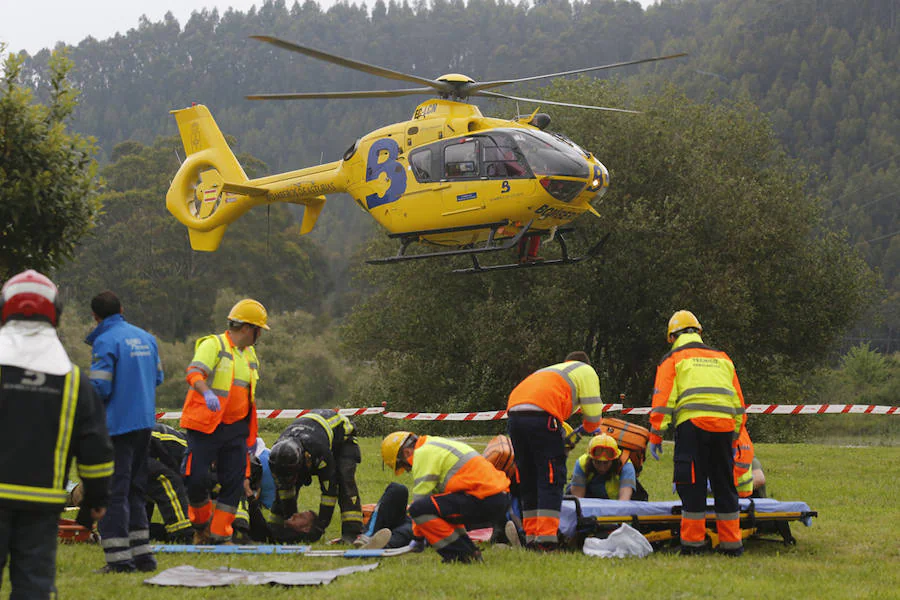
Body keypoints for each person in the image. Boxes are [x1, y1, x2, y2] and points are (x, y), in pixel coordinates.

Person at [0, 270, 114, 596]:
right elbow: (96, 453)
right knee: (34, 587)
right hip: (40, 506)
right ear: (56, 314)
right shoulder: (74, 381)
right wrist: (94, 501)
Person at [648, 310, 747, 557]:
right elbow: (738, 401)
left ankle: (693, 546)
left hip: (693, 428)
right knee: (725, 486)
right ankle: (732, 545)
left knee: (692, 485)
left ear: (672, 336)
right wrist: (735, 434)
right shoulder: (723, 357)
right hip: (724, 428)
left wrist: (656, 434)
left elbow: (662, 400)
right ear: (699, 332)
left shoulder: (673, 358)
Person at [87, 291, 164, 572]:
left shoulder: (105, 340)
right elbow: (158, 377)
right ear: (122, 308)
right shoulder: (147, 338)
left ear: (95, 316)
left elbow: (100, 388)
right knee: (136, 489)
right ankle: (144, 556)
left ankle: (119, 560)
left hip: (116, 426)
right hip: (144, 423)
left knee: (113, 493)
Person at [180, 299, 267, 544]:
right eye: (259, 329)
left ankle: (220, 535)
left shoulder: (250, 354)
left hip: (236, 430)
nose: (259, 335)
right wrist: (206, 392)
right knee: (196, 480)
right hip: (206, 427)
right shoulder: (214, 345)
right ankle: (201, 526)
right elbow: (194, 372)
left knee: (234, 482)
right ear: (249, 328)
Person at [506, 351, 604, 550]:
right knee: (551, 477)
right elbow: (593, 414)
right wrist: (591, 429)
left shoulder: (552, 371)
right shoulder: (586, 370)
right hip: (543, 413)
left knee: (528, 477)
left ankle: (531, 536)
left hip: (514, 411)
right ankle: (547, 540)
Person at [381, 430, 510, 563]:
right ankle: (470, 553)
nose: (408, 470)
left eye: (404, 466)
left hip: (484, 499)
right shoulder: (434, 444)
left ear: (407, 453)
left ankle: (460, 555)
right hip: (497, 498)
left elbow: (419, 502)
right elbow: (442, 507)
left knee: (419, 510)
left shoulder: (422, 454)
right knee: (438, 508)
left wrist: (417, 538)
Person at [267, 409, 363, 543]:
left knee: (344, 481)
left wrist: (319, 526)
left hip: (343, 439)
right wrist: (290, 522)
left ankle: (352, 533)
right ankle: (273, 529)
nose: (290, 479)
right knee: (282, 488)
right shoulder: (277, 456)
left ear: (304, 459)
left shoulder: (318, 450)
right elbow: (284, 490)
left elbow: (329, 491)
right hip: (310, 434)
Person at [146, 424, 191, 542]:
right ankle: (183, 534)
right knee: (164, 480)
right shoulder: (192, 452)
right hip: (136, 448)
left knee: (130, 529)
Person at [566, 434, 637, 501]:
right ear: (591, 459)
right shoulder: (581, 463)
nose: (602, 467)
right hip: (589, 500)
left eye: (606, 463)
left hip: (615, 503)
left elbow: (624, 501)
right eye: (597, 462)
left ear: (614, 460)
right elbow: (578, 499)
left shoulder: (626, 465)